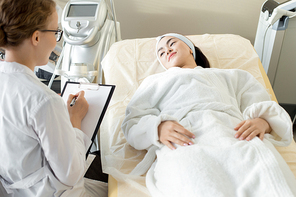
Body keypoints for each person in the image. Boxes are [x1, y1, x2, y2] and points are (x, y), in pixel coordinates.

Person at [122, 33, 296, 196]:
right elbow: (133, 120)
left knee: (264, 173)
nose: (166, 50)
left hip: (234, 133)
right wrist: (158, 128)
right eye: (160, 53)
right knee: (195, 178)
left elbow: (260, 102)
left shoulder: (232, 75)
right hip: (184, 139)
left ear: (191, 48)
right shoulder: (155, 82)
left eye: (172, 43)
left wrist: (263, 121)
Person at [0, 0, 106, 196]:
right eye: (56, 32)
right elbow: (70, 175)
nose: (57, 41)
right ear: (37, 37)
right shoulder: (44, 100)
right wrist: (75, 119)